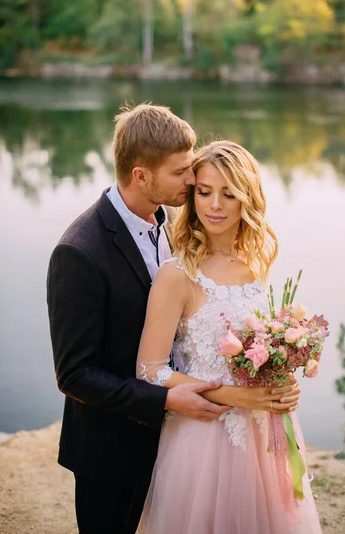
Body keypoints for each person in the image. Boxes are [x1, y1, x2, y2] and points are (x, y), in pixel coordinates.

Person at [47, 104, 232, 534]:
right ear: (140, 176)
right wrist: (165, 400)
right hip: (108, 447)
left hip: (170, 440)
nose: (193, 181)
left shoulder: (167, 223)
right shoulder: (79, 252)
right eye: (181, 172)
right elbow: (74, 374)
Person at [136, 140, 321, 533]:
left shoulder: (256, 265)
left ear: (246, 200)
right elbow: (150, 371)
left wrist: (282, 380)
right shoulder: (177, 274)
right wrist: (233, 395)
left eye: (228, 193)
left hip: (261, 433)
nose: (214, 205)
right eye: (204, 192)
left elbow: (261, 349)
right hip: (203, 437)